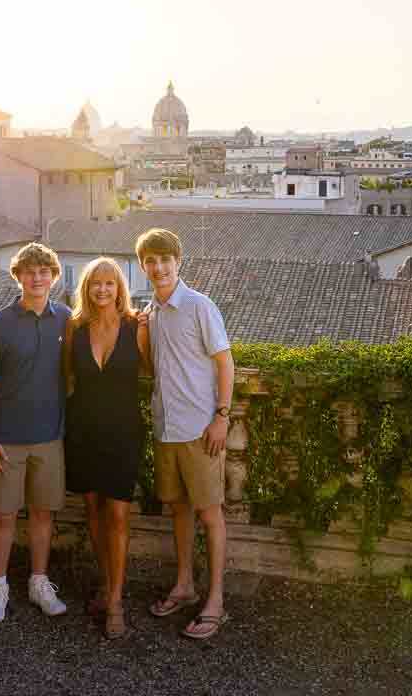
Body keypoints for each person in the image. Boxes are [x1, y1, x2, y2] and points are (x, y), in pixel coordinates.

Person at [137, 228, 235, 641]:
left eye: (165, 259)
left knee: (210, 515)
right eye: (150, 261)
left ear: (179, 262)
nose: (158, 267)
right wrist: (141, 334)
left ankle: (216, 601)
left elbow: (226, 363)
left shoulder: (199, 306)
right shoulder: (151, 313)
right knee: (177, 509)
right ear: (143, 266)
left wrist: (222, 417)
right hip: (166, 428)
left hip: (200, 429)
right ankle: (184, 584)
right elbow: (151, 369)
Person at [0, 242, 71, 624]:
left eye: (44, 271)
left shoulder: (67, 319)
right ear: (18, 276)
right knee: (3, 516)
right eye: (30, 271)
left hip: (50, 437)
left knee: (43, 514)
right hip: (7, 440)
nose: (37, 277)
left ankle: (38, 582)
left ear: (54, 276)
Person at [62, 257, 145, 639]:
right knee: (93, 511)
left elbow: (157, 372)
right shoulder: (75, 327)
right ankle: (104, 583)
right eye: (96, 283)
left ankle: (115, 601)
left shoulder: (137, 328)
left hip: (124, 431)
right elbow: (67, 379)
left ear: (120, 288)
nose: (103, 290)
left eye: (110, 283)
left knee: (117, 515)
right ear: (87, 288)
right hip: (84, 430)